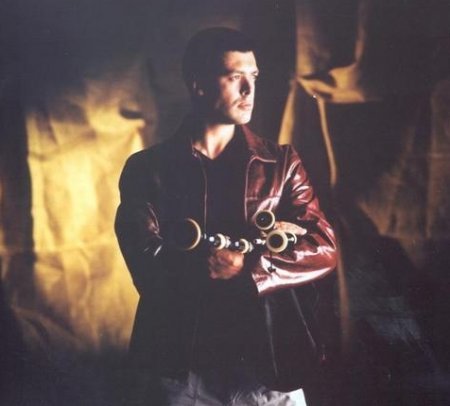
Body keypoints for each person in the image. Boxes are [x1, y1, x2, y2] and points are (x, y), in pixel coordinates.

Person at [115, 27, 337, 406]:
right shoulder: (146, 169)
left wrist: (248, 267)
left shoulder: (282, 163)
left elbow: (324, 246)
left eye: (254, 77)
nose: (249, 90)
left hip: (269, 369)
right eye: (235, 77)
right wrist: (207, 264)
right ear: (198, 84)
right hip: (183, 370)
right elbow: (145, 263)